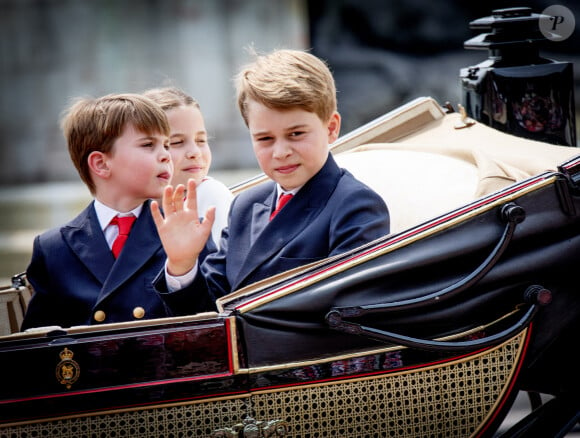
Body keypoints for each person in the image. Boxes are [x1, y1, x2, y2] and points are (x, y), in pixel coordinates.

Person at [151, 48, 390, 314]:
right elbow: (208, 314)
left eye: (296, 133)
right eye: (265, 139)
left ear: (331, 128)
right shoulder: (245, 205)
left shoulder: (355, 205)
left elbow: (347, 313)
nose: (280, 152)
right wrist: (182, 264)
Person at [21, 93, 215, 331]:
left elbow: (210, 329)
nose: (166, 155)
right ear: (101, 164)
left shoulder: (186, 228)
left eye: (166, 144)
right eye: (148, 145)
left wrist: (182, 267)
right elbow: (37, 348)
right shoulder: (54, 248)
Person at [143, 86, 233, 248]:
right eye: (177, 143)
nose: (195, 152)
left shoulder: (210, 194)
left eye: (201, 141)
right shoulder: (136, 204)